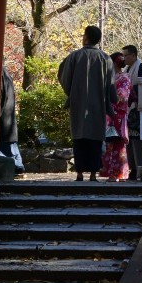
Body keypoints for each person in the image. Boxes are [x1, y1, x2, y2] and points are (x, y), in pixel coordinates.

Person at [57, 24, 115, 182]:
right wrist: (111, 101)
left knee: (79, 137)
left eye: (84, 35)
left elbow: (64, 75)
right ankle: (94, 174)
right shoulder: (105, 58)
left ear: (87, 37)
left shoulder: (74, 56)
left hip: (78, 104)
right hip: (99, 104)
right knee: (96, 138)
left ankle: (79, 173)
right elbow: (111, 83)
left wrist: (72, 93)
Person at [101, 51, 133, 182]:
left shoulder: (123, 77)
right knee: (110, 143)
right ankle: (113, 173)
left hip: (118, 114)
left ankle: (117, 173)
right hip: (111, 113)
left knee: (117, 144)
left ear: (114, 62)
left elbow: (123, 96)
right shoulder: (114, 77)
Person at [121, 42, 142, 179]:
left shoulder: (141, 68)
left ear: (134, 55)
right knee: (129, 140)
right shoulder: (127, 70)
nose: (124, 59)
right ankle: (132, 169)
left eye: (126, 56)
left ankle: (139, 168)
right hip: (128, 109)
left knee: (137, 140)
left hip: (137, 109)